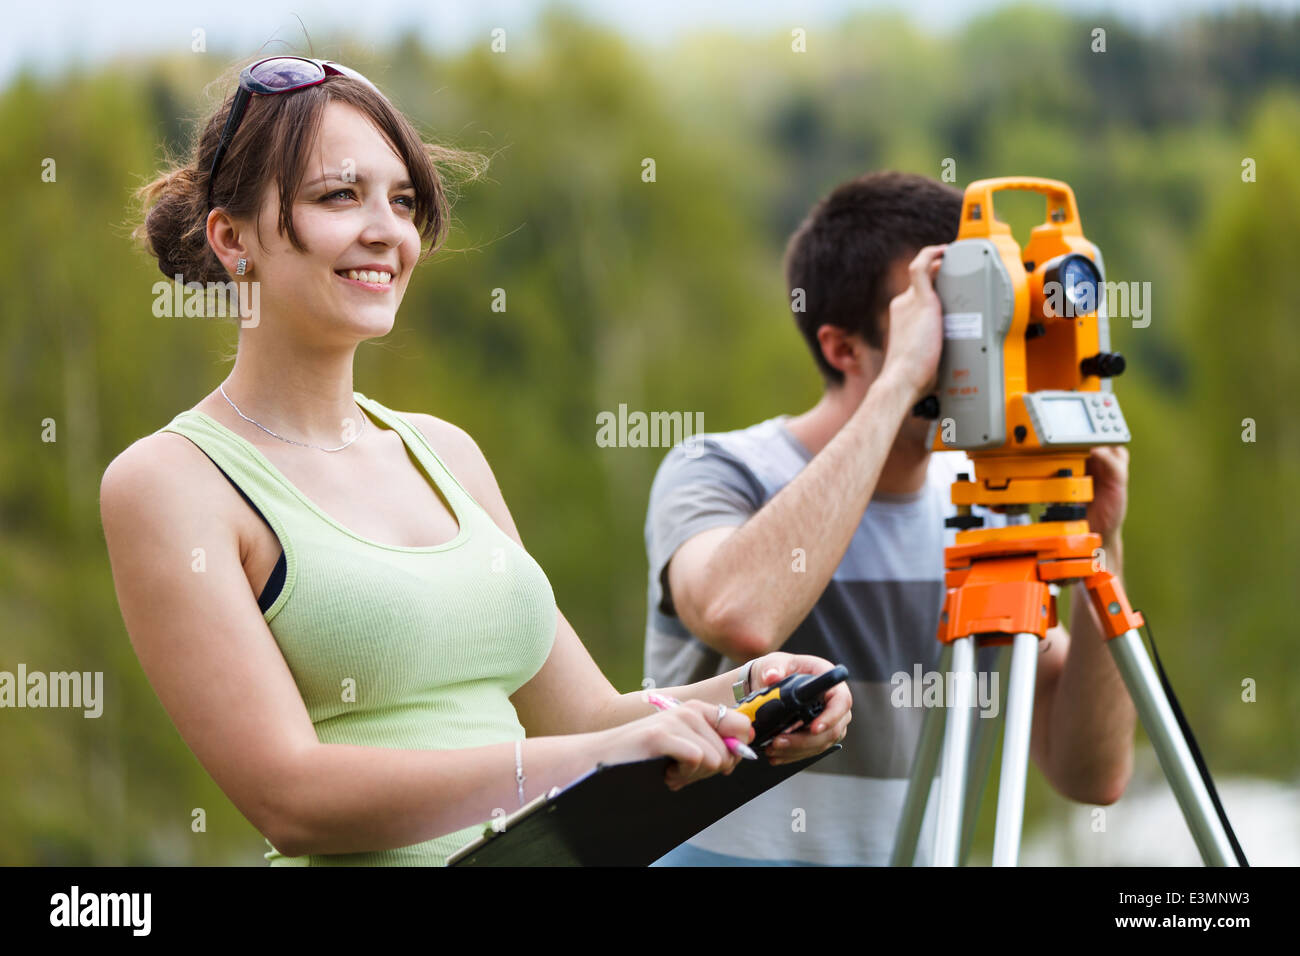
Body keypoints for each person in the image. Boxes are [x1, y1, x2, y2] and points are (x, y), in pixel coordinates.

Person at [99, 55, 851, 866]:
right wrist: (579, 761)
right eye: (339, 195)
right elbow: (293, 800)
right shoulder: (171, 482)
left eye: (403, 200)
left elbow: (588, 719)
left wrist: (747, 697)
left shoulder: (445, 452)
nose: (387, 230)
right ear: (230, 237)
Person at [644, 171, 1137, 866]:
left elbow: (1093, 774)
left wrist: (1102, 545)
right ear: (844, 348)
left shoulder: (985, 501)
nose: (977, 346)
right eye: (944, 318)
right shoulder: (718, 469)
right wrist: (904, 378)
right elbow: (742, 614)